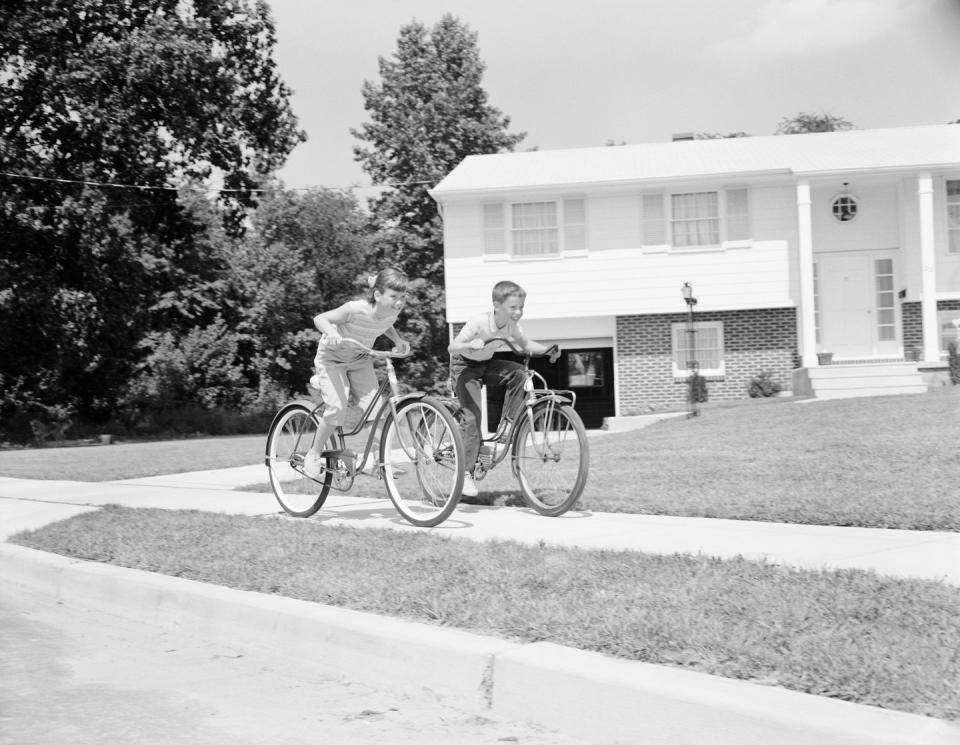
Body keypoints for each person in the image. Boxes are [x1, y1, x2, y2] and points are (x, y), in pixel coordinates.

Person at [448, 280, 559, 497]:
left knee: (519, 372)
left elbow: (526, 345)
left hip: (485, 365)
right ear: (497, 306)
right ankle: (464, 474)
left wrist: (547, 350)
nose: (518, 312)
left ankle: (507, 426)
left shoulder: (511, 326)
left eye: (521, 308)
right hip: (464, 367)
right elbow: (452, 347)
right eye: (513, 308)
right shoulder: (479, 322)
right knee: (472, 418)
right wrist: (470, 345)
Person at [304, 268, 411, 478]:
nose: (399, 302)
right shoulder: (355, 309)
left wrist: (397, 340)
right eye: (394, 297)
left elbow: (384, 324)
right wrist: (333, 332)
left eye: (403, 297)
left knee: (376, 411)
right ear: (378, 295)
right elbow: (320, 318)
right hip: (332, 360)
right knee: (336, 408)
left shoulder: (392, 311)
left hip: (360, 360)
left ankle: (380, 463)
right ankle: (313, 453)